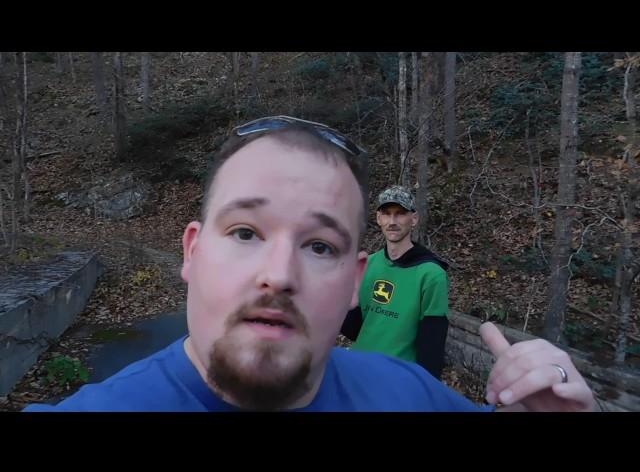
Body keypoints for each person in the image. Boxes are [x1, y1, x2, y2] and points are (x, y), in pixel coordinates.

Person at [24, 116, 597, 412]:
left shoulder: (410, 394)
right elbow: (357, 324)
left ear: (355, 276)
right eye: (245, 232)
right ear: (191, 252)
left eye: (320, 245)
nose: (280, 274)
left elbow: (431, 343)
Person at [340, 185, 450, 379]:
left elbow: (432, 347)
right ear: (378, 218)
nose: (392, 221)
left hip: (397, 379)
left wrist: (425, 392)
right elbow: (353, 330)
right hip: (356, 371)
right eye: (387, 214)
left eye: (400, 214)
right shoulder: (367, 264)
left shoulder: (431, 275)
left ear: (413, 219)